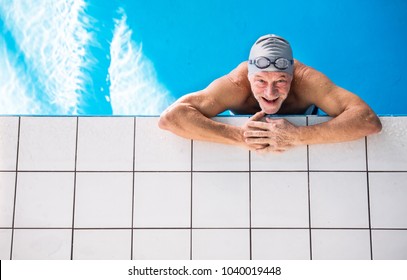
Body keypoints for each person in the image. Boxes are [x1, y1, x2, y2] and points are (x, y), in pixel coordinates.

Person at [158, 34, 382, 153]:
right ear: (248, 78)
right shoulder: (235, 84)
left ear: (293, 78)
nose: (270, 92)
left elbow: (367, 120)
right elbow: (172, 118)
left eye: (281, 81)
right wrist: (239, 136)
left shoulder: (307, 81)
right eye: (261, 81)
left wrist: (298, 136)